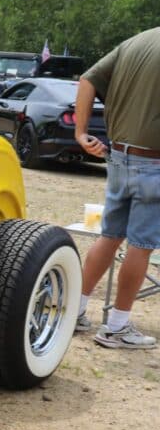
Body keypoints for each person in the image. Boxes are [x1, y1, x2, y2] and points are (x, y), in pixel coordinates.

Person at [75, 26, 160, 349]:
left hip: (120, 156)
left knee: (110, 236)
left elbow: (87, 79)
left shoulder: (136, 41)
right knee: (141, 244)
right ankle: (117, 326)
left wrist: (81, 133)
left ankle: (75, 311)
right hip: (153, 162)